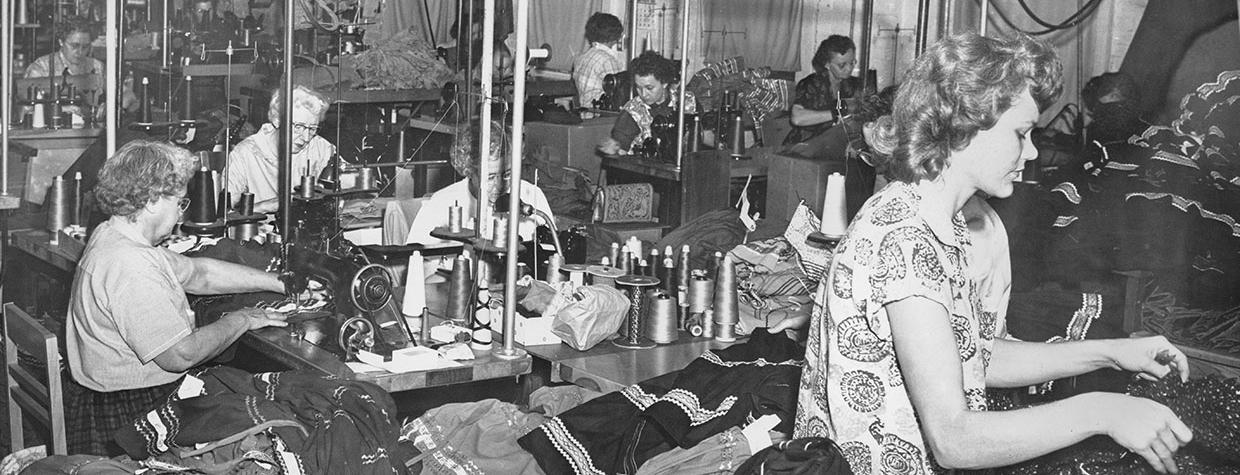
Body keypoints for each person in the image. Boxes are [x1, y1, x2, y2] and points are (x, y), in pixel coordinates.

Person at [792, 33, 1193, 475]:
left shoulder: (941, 221)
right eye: (1021, 134)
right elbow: (953, 441)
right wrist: (1101, 412)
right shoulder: (903, 239)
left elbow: (977, 355)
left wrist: (1111, 352)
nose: (1034, 150)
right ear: (962, 126)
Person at [65, 140, 291, 456]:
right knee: (275, 420)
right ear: (154, 200)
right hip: (128, 415)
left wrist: (280, 282)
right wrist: (242, 319)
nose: (180, 216)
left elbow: (199, 274)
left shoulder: (115, 234)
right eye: (180, 203)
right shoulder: (130, 265)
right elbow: (180, 355)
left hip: (116, 396)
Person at [406, 120, 553, 246]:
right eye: (490, 177)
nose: (499, 185)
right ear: (469, 170)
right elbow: (415, 263)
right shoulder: (441, 204)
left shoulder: (532, 196)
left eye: (507, 174)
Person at [226, 84, 335, 213]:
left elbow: (351, 199)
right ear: (277, 121)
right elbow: (224, 214)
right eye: (298, 127)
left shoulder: (322, 149)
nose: (305, 137)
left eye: (312, 129)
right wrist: (265, 206)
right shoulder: (245, 154)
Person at [599, 51, 697, 156]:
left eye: (649, 88)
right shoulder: (632, 111)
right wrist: (613, 149)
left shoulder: (687, 101)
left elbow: (703, 137)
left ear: (664, 83)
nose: (644, 94)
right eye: (638, 87)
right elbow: (619, 152)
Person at [783, 35, 856, 145]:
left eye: (852, 62)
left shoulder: (853, 84)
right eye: (842, 65)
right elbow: (797, 118)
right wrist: (837, 114)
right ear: (827, 64)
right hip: (805, 145)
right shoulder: (811, 84)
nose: (849, 68)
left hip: (832, 145)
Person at [572, 12, 626, 108]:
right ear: (614, 37)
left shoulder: (582, 57)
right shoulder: (607, 61)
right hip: (600, 117)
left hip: (583, 114)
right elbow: (620, 95)